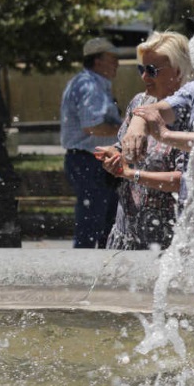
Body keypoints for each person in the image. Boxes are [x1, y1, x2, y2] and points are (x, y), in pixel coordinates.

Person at [94, 31, 194, 250]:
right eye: (142, 69)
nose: (144, 77)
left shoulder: (191, 114)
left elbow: (185, 180)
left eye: (152, 70)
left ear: (178, 71)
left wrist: (132, 174)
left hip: (168, 244)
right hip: (126, 236)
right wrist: (113, 155)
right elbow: (123, 148)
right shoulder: (140, 103)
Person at [60, 37, 124, 248]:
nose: (117, 63)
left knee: (105, 225)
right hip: (89, 162)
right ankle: (84, 274)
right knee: (92, 226)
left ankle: (99, 272)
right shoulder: (89, 86)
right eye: (112, 58)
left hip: (90, 161)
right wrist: (127, 130)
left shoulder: (90, 83)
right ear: (98, 61)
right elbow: (92, 126)